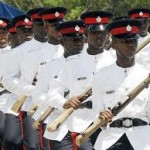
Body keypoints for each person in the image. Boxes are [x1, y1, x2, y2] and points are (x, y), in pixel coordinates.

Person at [92, 18, 150, 150]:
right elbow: (96, 111)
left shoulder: (146, 75)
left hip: (143, 139)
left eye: (133, 41)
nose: (131, 45)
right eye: (125, 42)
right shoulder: (100, 77)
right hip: (112, 138)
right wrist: (101, 115)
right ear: (114, 43)